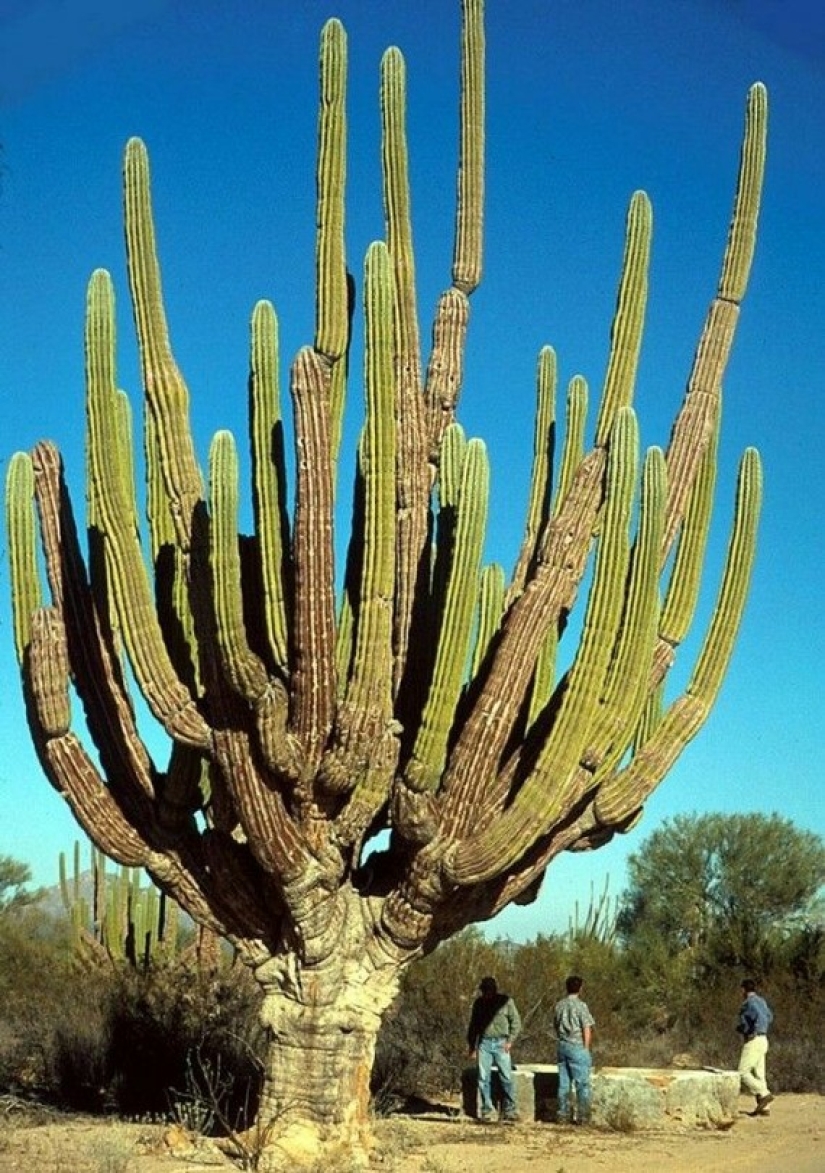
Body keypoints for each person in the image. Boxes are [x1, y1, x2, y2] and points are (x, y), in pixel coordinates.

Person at [467, 975, 522, 1122]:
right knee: (483, 1077)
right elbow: (473, 1026)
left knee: (506, 1077)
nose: (487, 994)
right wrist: (472, 1046)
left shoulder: (506, 1002)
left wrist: (510, 1041)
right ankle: (487, 1110)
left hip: (501, 1042)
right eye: (485, 991)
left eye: (489, 990)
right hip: (484, 1043)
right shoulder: (479, 1004)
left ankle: (510, 1110)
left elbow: (516, 1022)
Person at [553, 974, 595, 1125]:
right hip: (577, 1045)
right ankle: (583, 1116)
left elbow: (556, 1025)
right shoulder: (581, 1006)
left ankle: (562, 1114)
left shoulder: (559, 1005)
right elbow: (586, 1027)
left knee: (563, 1083)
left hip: (562, 1045)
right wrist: (586, 1047)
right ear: (580, 988)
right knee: (582, 1084)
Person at [736, 977, 774, 1115]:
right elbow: (769, 1017)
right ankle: (764, 1108)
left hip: (753, 1039)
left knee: (743, 1072)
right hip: (764, 1039)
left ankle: (764, 1093)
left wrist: (746, 1029)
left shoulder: (748, 1004)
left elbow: (749, 1021)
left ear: (743, 990)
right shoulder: (762, 1001)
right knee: (759, 1074)